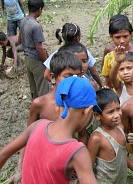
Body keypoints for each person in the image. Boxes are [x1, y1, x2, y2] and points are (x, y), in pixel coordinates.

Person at [0, 76, 99, 183]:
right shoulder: (78, 152)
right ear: (87, 111)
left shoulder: (37, 126)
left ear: (57, 106)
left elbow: (3, 154)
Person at [7, 51, 83, 183]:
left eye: (78, 77)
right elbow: (27, 138)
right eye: (68, 76)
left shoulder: (78, 103)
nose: (73, 82)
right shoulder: (40, 104)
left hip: (67, 163)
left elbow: (82, 135)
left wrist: (80, 166)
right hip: (44, 164)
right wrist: (20, 169)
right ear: (53, 77)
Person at [87, 88, 133, 184]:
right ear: (97, 115)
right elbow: (88, 169)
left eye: (118, 109)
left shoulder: (120, 127)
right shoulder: (97, 138)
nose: (117, 115)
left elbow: (122, 156)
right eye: (110, 112)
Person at [43, 22, 103, 88]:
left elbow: (46, 75)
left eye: (84, 61)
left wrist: (57, 84)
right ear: (78, 38)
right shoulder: (83, 52)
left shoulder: (57, 53)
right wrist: (101, 85)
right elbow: (94, 73)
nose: (81, 65)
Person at [102, 18, 133, 87]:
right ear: (111, 37)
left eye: (125, 36)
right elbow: (108, 81)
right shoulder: (109, 57)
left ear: (131, 35)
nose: (122, 41)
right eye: (117, 37)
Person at [19, 0, 49, 99]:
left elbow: (19, 39)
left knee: (34, 88)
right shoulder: (36, 26)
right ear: (39, 9)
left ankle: (35, 108)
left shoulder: (23, 21)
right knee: (43, 88)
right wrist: (47, 62)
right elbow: (39, 48)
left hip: (27, 58)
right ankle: (43, 111)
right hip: (36, 60)